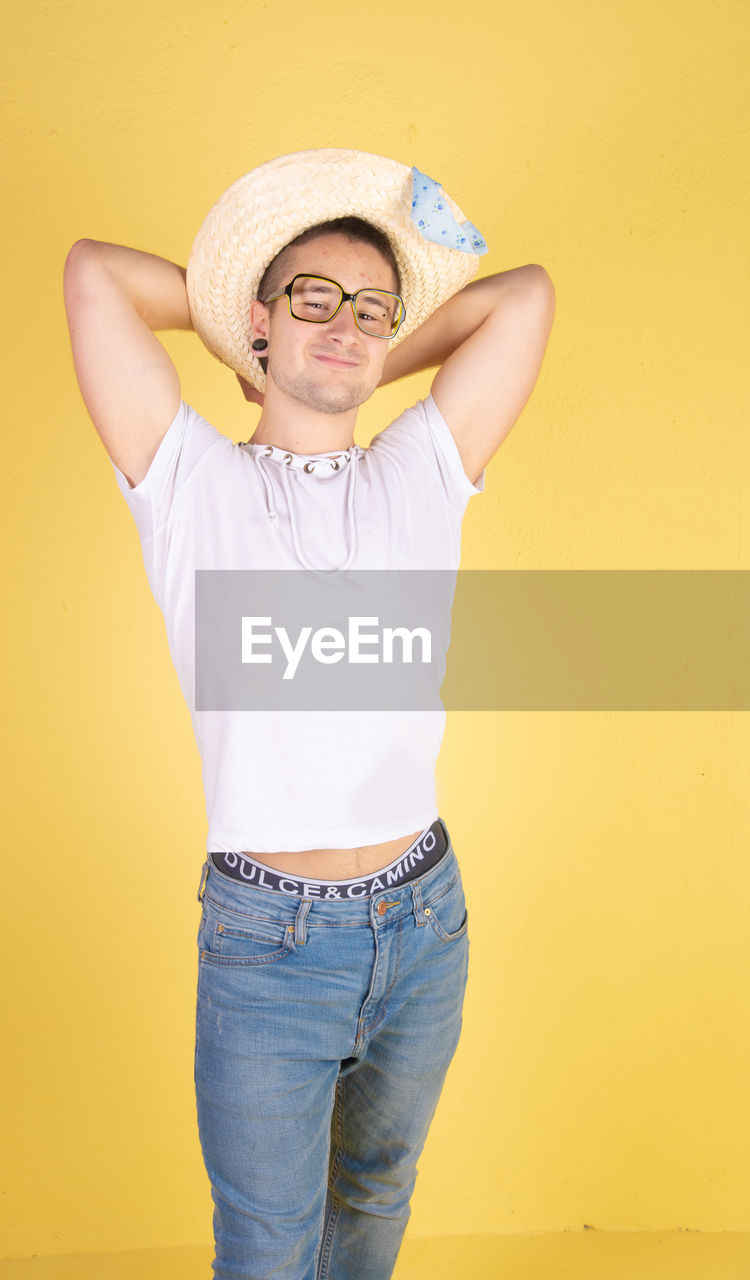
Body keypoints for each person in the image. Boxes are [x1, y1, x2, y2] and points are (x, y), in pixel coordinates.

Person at [63, 149, 554, 1280]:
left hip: (425, 919)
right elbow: (92, 275)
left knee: (375, 1197)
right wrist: (261, 340)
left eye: (371, 309)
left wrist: (352, 348)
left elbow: (520, 297)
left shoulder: (419, 470)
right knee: (270, 1243)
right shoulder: (190, 487)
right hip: (267, 943)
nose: (346, 323)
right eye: (313, 298)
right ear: (257, 323)